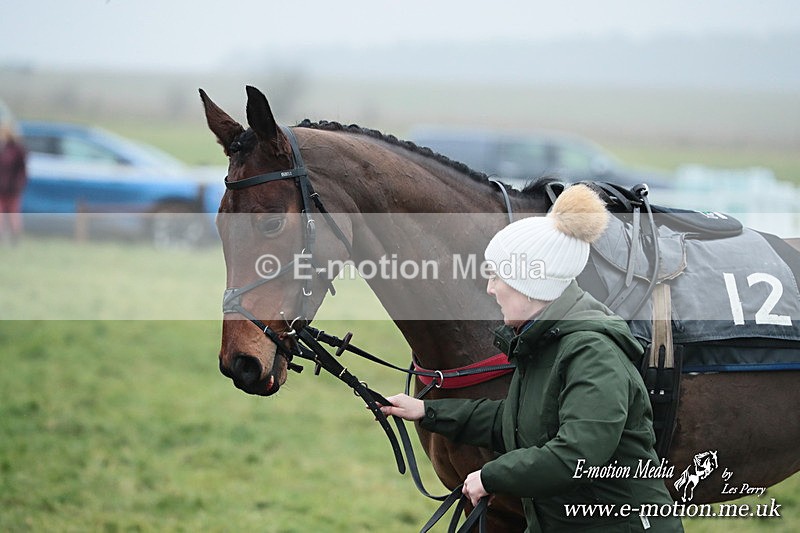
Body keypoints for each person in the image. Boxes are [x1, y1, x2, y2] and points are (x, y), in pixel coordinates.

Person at [381, 184, 683, 532]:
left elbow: (576, 456)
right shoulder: (544, 342)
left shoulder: (593, 354)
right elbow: (516, 421)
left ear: (531, 283)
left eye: (498, 276)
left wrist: (492, 477)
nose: (490, 287)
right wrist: (425, 411)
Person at [0, 124, 27, 244]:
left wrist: (18, 185)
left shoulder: (17, 150)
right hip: (2, 188)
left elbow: (22, 170)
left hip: (12, 189)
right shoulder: (3, 148)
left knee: (13, 214)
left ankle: (15, 239)